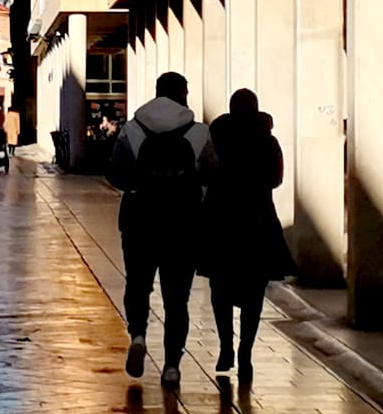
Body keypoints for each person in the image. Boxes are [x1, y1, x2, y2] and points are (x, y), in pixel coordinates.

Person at [106, 71, 216, 388]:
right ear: (182, 94)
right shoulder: (199, 132)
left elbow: (114, 172)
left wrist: (138, 185)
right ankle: (171, 366)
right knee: (177, 298)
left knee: (138, 285)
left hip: (139, 221)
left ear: (156, 93)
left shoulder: (132, 129)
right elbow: (212, 173)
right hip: (183, 223)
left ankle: (138, 336)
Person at [201, 89, 293, 384]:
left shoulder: (217, 137)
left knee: (220, 287)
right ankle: (245, 352)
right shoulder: (267, 140)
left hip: (222, 219)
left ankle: (225, 347)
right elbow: (276, 179)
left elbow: (205, 172)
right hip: (257, 219)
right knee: (254, 290)